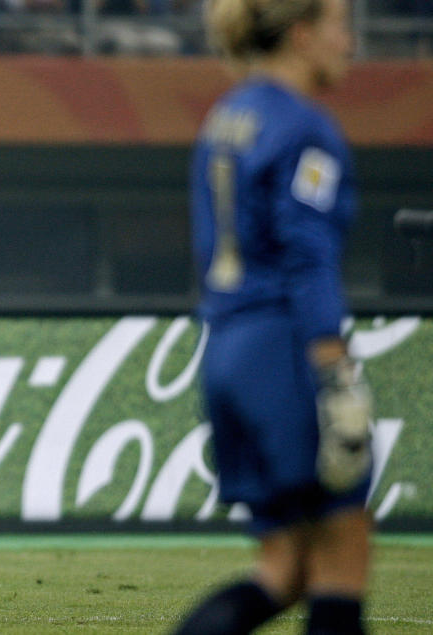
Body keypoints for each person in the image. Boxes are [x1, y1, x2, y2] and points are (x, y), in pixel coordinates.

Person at [175, 1, 373, 634]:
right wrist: (332, 366)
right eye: (341, 26)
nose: (351, 42)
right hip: (281, 348)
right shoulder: (305, 127)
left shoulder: (227, 118)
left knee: (284, 569)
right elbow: (306, 256)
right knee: (343, 550)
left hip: (228, 346)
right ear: (302, 33)